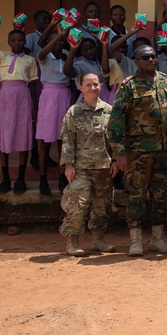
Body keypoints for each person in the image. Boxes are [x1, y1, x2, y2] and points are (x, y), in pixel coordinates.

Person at [107, 44, 167, 256]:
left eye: (153, 56)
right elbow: (116, 121)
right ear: (136, 61)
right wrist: (119, 153)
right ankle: (136, 240)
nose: (151, 60)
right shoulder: (128, 86)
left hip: (164, 150)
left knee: (160, 195)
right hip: (138, 152)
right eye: (145, 57)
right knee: (136, 195)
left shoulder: (166, 81)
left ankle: (157, 238)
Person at [59, 72, 119, 256]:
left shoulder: (109, 110)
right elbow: (67, 139)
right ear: (80, 88)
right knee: (78, 203)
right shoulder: (74, 112)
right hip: (81, 168)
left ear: (100, 85)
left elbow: (115, 138)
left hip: (103, 166)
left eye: (96, 84)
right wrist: (68, 165)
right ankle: (72, 241)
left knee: (102, 207)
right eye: (88, 85)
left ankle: (98, 240)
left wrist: (115, 159)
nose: (93, 88)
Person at [0, 25, 39, 194]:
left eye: (20, 40)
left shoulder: (30, 60)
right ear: (8, 42)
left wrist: (35, 107)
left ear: (25, 42)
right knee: (3, 136)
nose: (17, 43)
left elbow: (33, 85)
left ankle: (20, 179)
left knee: (24, 136)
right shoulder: (1, 56)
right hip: (5, 97)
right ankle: (5, 178)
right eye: (13, 40)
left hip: (23, 97)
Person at [35, 24, 73, 196]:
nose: (59, 43)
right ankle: (43, 179)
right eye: (55, 41)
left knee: (62, 139)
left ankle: (62, 176)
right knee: (45, 140)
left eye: (61, 41)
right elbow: (42, 51)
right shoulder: (44, 57)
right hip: (49, 96)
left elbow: (72, 81)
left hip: (64, 95)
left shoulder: (67, 56)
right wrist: (59, 34)